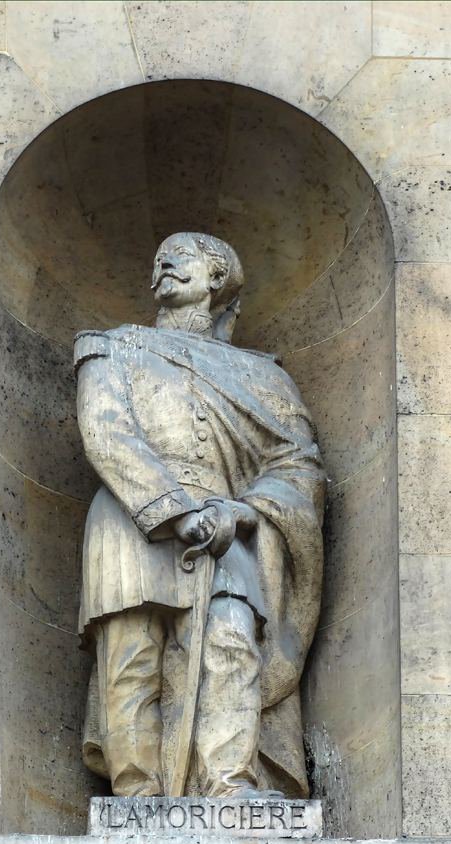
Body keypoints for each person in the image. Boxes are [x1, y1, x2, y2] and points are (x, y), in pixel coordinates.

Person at [75, 232, 325, 798]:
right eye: (158, 255)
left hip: (226, 523)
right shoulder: (110, 347)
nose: (163, 260)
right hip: (129, 515)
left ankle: (228, 784)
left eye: (180, 254)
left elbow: (298, 464)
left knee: (232, 641)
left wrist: (241, 509)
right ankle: (136, 793)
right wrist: (174, 513)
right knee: (132, 654)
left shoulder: (263, 377)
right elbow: (106, 434)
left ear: (216, 279)